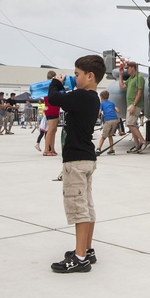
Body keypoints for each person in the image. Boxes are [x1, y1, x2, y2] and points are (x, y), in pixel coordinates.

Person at [47, 55, 105, 273]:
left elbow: (53, 98)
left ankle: (80, 258)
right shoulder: (93, 98)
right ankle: (87, 249)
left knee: (78, 208)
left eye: (77, 74)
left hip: (76, 160)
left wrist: (56, 81)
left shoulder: (81, 96)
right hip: (87, 159)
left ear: (90, 76)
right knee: (87, 206)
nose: (74, 77)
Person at [117, 59, 148, 153]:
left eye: (128, 68)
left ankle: (143, 142)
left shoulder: (139, 78)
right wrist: (121, 75)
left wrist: (134, 105)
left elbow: (140, 92)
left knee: (130, 124)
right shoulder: (131, 78)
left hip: (135, 105)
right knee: (132, 125)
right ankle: (137, 146)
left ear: (133, 68)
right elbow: (122, 86)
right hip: (130, 105)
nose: (127, 70)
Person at [97, 90, 120, 155]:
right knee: (110, 135)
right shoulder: (112, 103)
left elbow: (99, 112)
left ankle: (98, 148)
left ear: (101, 97)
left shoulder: (102, 104)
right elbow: (117, 110)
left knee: (104, 136)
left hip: (108, 120)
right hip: (115, 119)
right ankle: (111, 149)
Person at [43, 72, 61, 155]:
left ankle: (52, 149)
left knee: (53, 130)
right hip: (53, 109)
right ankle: (47, 149)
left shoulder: (47, 87)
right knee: (51, 130)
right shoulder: (52, 87)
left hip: (52, 109)